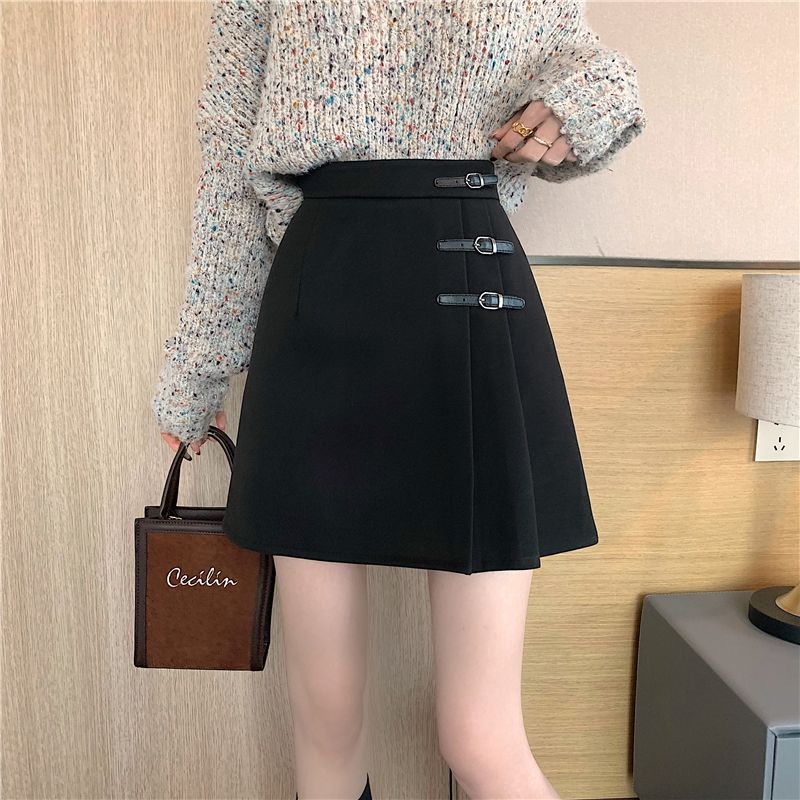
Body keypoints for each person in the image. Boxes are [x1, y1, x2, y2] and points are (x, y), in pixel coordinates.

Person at [150, 2, 646, 798]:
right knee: (326, 723)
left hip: (468, 291)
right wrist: (200, 368)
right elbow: (231, 172)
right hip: (320, 293)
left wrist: (573, 105)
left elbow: (603, 81)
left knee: (478, 736)